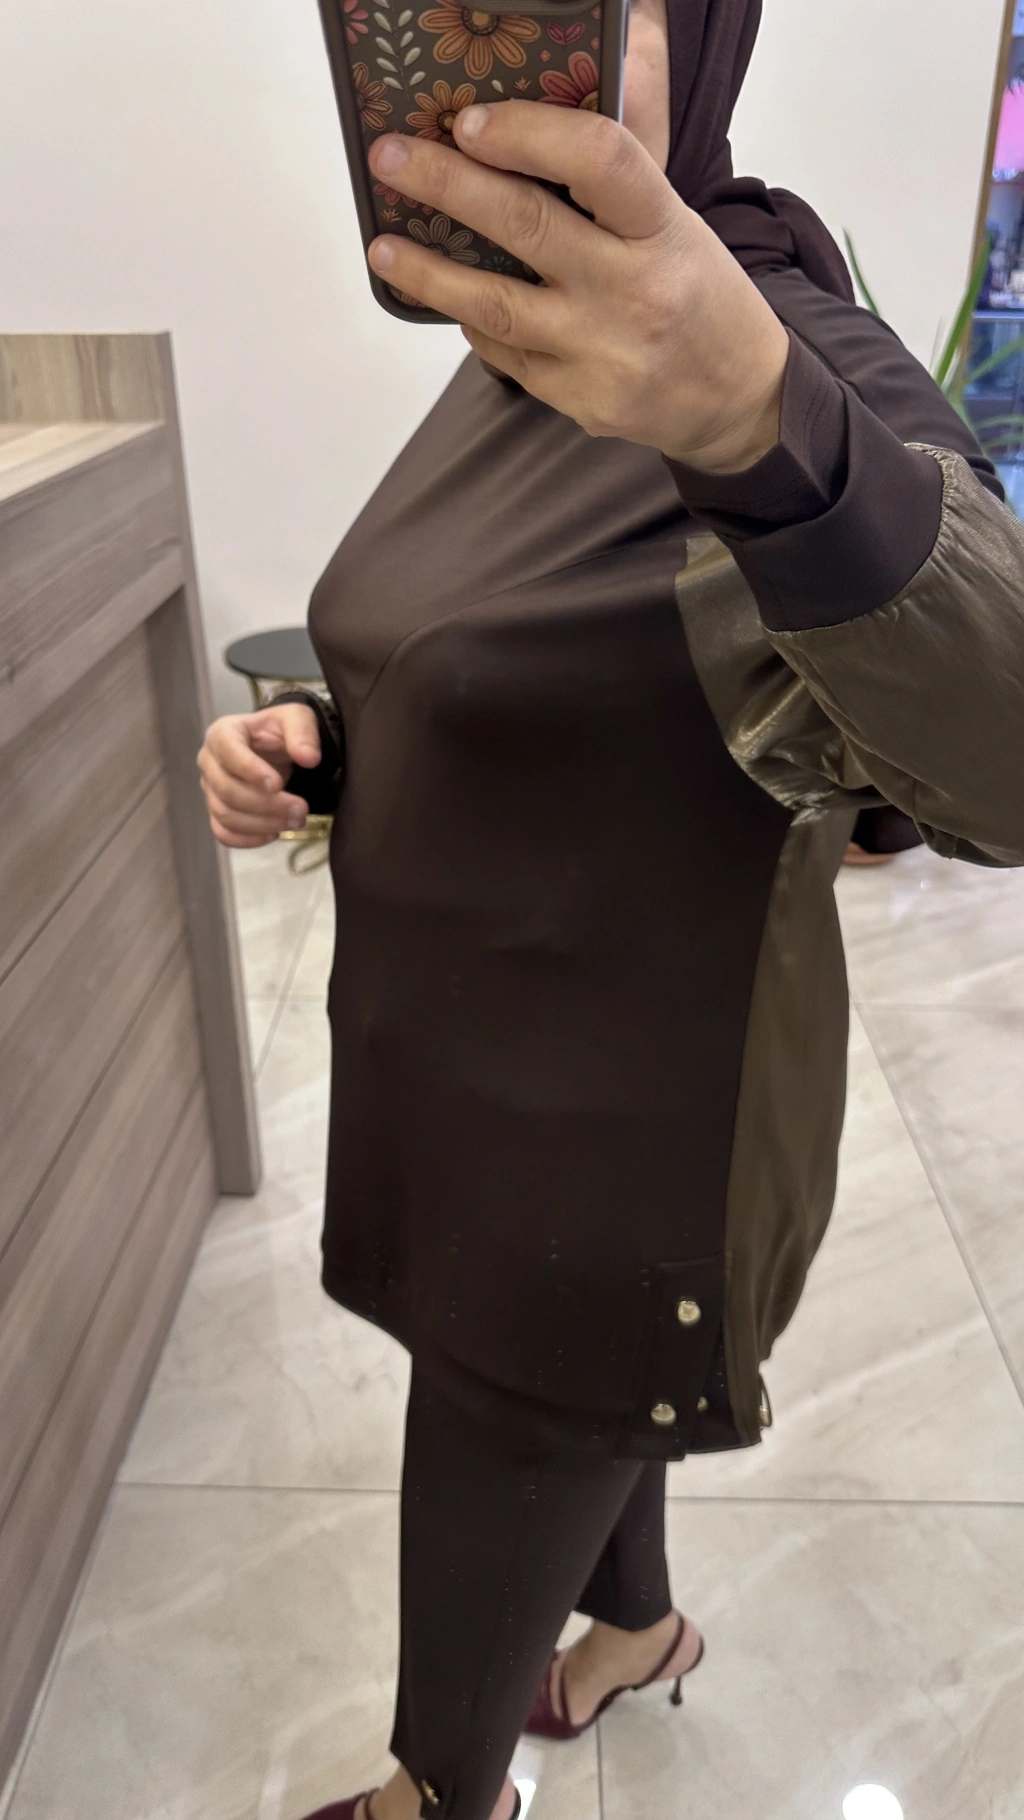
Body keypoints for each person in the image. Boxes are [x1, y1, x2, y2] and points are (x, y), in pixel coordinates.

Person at [197, 2, 1024, 1816]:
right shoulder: (520, 352)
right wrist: (320, 748)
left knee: (508, 1431)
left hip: (627, 1129)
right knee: (581, 1404)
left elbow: (1008, 758)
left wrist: (766, 431)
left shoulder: (776, 346)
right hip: (473, 1064)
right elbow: (522, 665)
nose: (493, 50)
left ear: (704, 37)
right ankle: (639, 1633)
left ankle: (441, 1794)